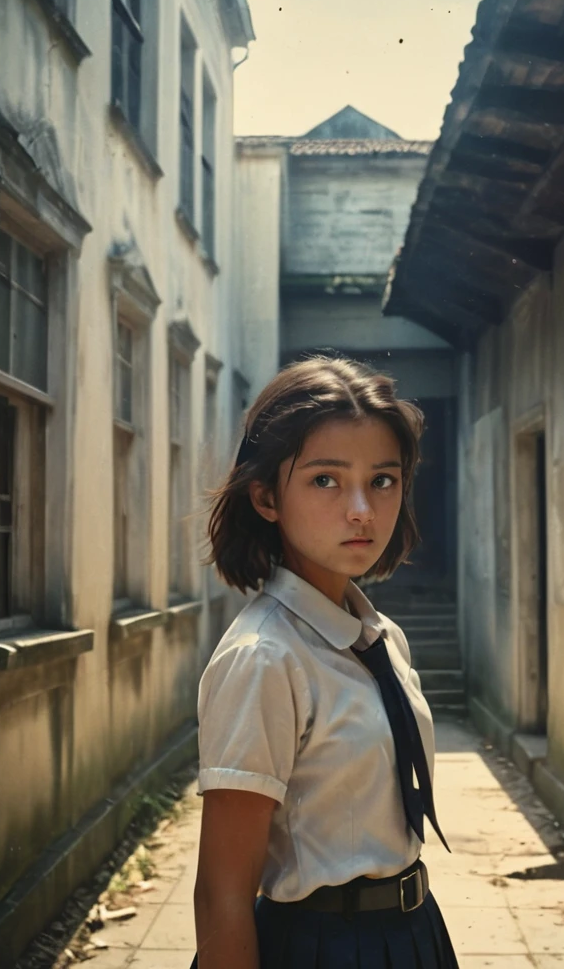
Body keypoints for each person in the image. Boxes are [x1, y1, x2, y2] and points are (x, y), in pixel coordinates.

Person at [191, 356, 459, 969]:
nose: (363, 509)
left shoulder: (380, 635)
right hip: (322, 946)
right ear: (265, 497)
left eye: (383, 480)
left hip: (416, 934)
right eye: (325, 480)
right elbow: (223, 891)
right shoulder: (264, 659)